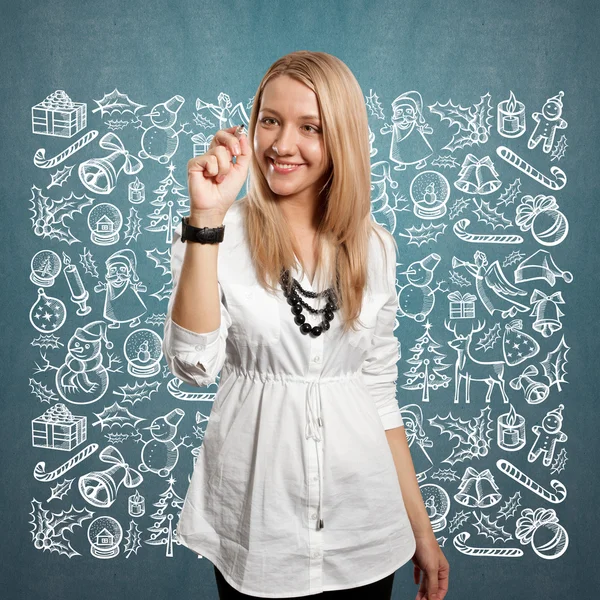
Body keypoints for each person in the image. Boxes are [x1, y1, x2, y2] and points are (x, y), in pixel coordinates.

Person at [163, 50, 449, 600]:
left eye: (309, 127)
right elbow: (193, 364)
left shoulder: (375, 248)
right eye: (269, 120)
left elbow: (380, 399)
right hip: (260, 534)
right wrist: (205, 219)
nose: (282, 144)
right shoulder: (218, 234)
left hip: (364, 531)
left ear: (340, 138)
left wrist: (422, 533)